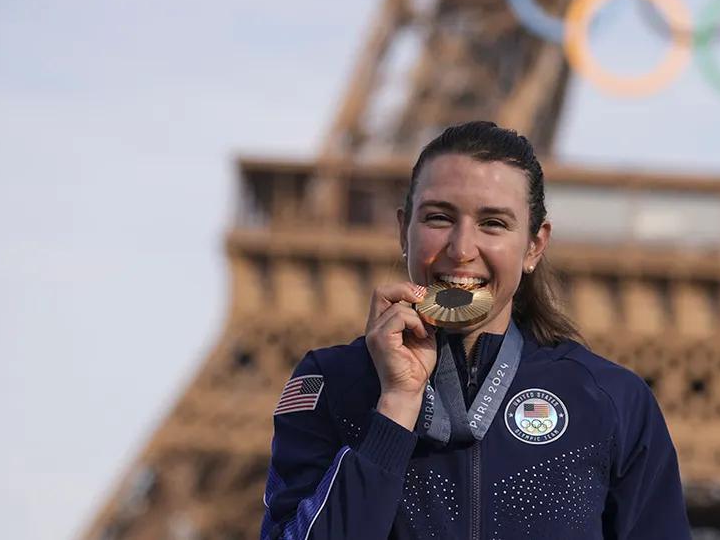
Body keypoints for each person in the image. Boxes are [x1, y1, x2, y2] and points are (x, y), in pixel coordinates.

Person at [259, 121, 691, 539]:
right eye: (439, 218)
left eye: (494, 223)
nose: (462, 248)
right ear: (403, 231)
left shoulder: (613, 400)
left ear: (534, 245)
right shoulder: (333, 384)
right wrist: (396, 405)